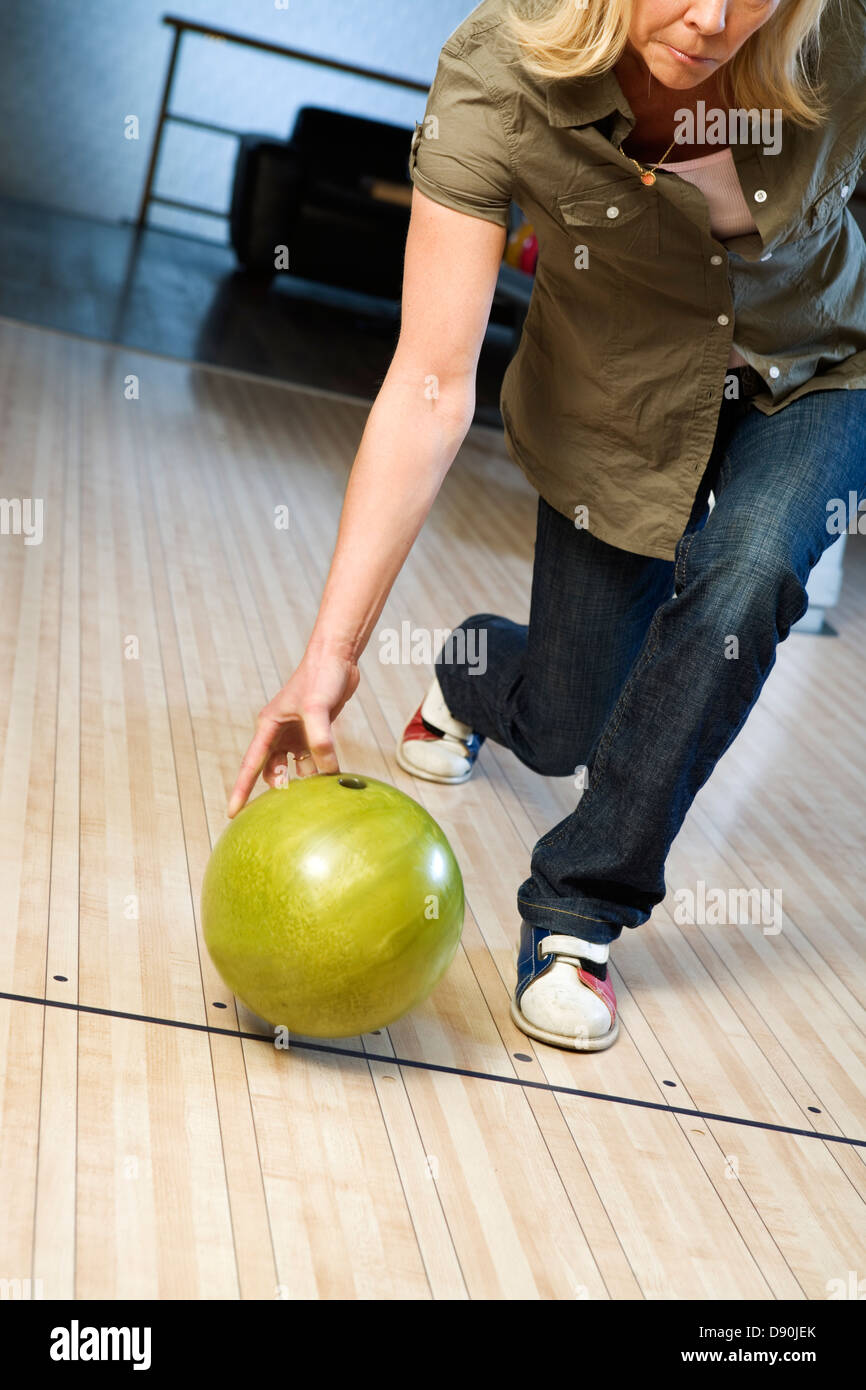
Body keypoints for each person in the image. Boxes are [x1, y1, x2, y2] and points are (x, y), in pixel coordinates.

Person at [229, 0, 866, 1052]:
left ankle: (579, 908)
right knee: (574, 723)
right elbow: (429, 384)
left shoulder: (838, 35)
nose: (708, 20)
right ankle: (476, 675)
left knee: (749, 571)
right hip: (609, 403)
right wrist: (325, 661)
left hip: (816, 374)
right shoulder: (502, 73)